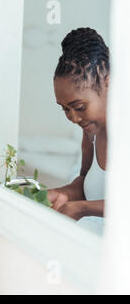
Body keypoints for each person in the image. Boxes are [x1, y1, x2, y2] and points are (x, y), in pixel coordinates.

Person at [48, 27, 109, 234]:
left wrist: (81, 209)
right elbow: (84, 185)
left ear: (108, 84)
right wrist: (62, 194)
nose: (73, 118)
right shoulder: (91, 132)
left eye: (80, 107)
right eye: (65, 108)